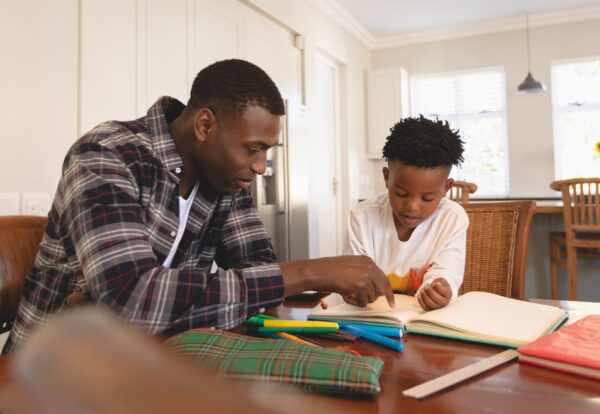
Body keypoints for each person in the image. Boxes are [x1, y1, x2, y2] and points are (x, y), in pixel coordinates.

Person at [3, 59, 393, 353]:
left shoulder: (225, 177)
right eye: (253, 149)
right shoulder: (106, 156)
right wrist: (310, 271)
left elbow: (261, 276)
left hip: (147, 359)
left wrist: (140, 305)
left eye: (267, 152)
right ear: (205, 126)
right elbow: (132, 300)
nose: (260, 167)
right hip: (50, 370)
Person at [344, 116, 468, 310]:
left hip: (423, 324)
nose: (412, 206)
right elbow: (352, 275)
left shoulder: (452, 218)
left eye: (427, 198)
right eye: (401, 193)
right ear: (386, 177)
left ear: (446, 188)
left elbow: (446, 274)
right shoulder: (362, 217)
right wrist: (351, 288)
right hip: (369, 321)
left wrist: (440, 290)